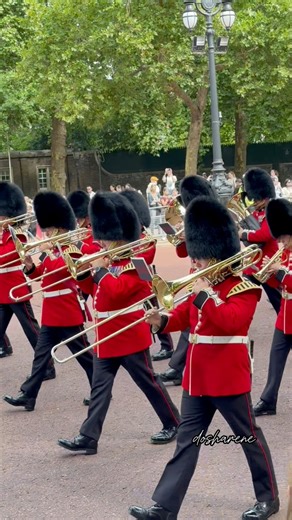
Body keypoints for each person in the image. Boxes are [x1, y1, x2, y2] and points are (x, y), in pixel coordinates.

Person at [129, 196, 279, 520]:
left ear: (216, 254)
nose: (195, 264)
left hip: (227, 376)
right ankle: (164, 507)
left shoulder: (245, 288)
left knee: (248, 438)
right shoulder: (205, 285)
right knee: (187, 442)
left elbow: (229, 322)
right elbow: (186, 314)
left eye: (200, 258)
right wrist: (162, 320)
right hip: (197, 378)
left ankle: (268, 499)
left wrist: (202, 292)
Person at [57, 192, 180, 454]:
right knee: (100, 388)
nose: (100, 242)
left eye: (105, 237)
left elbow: (117, 291)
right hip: (106, 335)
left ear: (118, 235)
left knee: (148, 382)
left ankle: (173, 422)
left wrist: (100, 269)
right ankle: (88, 437)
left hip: (128, 335)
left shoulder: (137, 262)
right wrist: (83, 274)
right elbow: (94, 290)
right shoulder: (109, 260)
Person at [3, 191, 93, 411]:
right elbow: (42, 274)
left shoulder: (72, 249)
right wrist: (30, 265)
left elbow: (63, 271)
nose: (47, 233)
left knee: (85, 357)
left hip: (67, 312)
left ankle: (100, 389)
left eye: (50, 229)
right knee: (41, 356)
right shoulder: (52, 250)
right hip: (52, 313)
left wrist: (49, 254)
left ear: (61, 228)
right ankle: (28, 395)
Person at [160, 175, 217, 386]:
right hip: (196, 270)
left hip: (210, 272)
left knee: (198, 316)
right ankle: (179, 366)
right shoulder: (191, 219)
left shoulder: (214, 218)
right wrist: (181, 238)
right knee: (191, 316)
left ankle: (179, 367)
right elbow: (183, 253)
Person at [120, 189, 174, 361]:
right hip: (129, 279)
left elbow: (144, 260)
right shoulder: (126, 237)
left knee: (152, 311)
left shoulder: (146, 239)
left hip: (145, 280)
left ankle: (167, 346)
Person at [253, 198, 292, 417]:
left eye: (284, 237)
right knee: (275, 359)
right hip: (285, 314)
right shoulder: (284, 253)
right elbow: (279, 285)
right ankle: (268, 400)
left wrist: (280, 273)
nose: (282, 242)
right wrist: (268, 275)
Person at [0, 182, 41, 366]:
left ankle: (46, 365)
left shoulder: (18, 234)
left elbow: (8, 257)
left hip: (16, 288)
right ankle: (5, 347)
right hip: (2, 289)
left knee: (32, 330)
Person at [239, 168, 282, 314]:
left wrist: (244, 234)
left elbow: (265, 234)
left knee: (280, 304)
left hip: (268, 264)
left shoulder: (273, 209)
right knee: (242, 302)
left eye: (256, 198)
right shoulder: (255, 212)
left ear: (264, 197)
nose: (254, 201)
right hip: (252, 265)